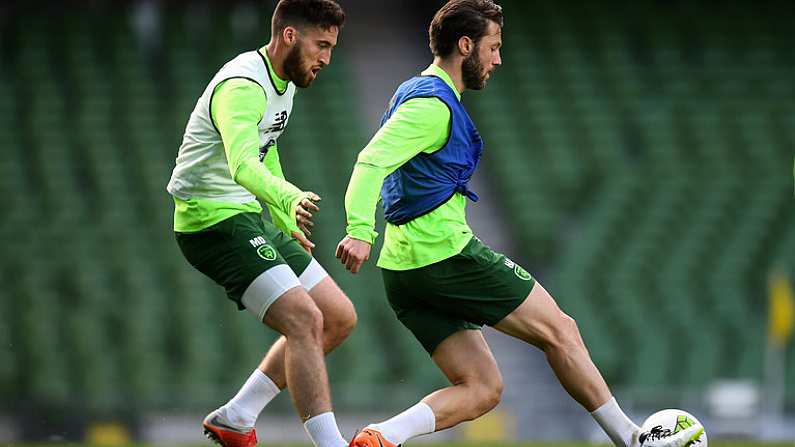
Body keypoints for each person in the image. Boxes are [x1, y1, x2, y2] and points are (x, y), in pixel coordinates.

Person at [336, 1, 703, 447]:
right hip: (442, 255)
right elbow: (370, 160)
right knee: (560, 330)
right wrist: (359, 230)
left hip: (402, 272)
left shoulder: (412, 91)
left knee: (483, 388)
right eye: (493, 47)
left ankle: (381, 438)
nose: (497, 59)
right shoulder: (432, 106)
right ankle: (631, 439)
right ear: (465, 45)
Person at [166, 1, 354, 447]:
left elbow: (265, 147)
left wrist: (280, 212)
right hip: (210, 221)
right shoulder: (243, 85)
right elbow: (243, 165)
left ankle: (236, 416)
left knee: (338, 318)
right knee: (306, 319)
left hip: (247, 214)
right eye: (321, 45)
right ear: (289, 36)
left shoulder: (282, 82)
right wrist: (287, 195)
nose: (327, 58)